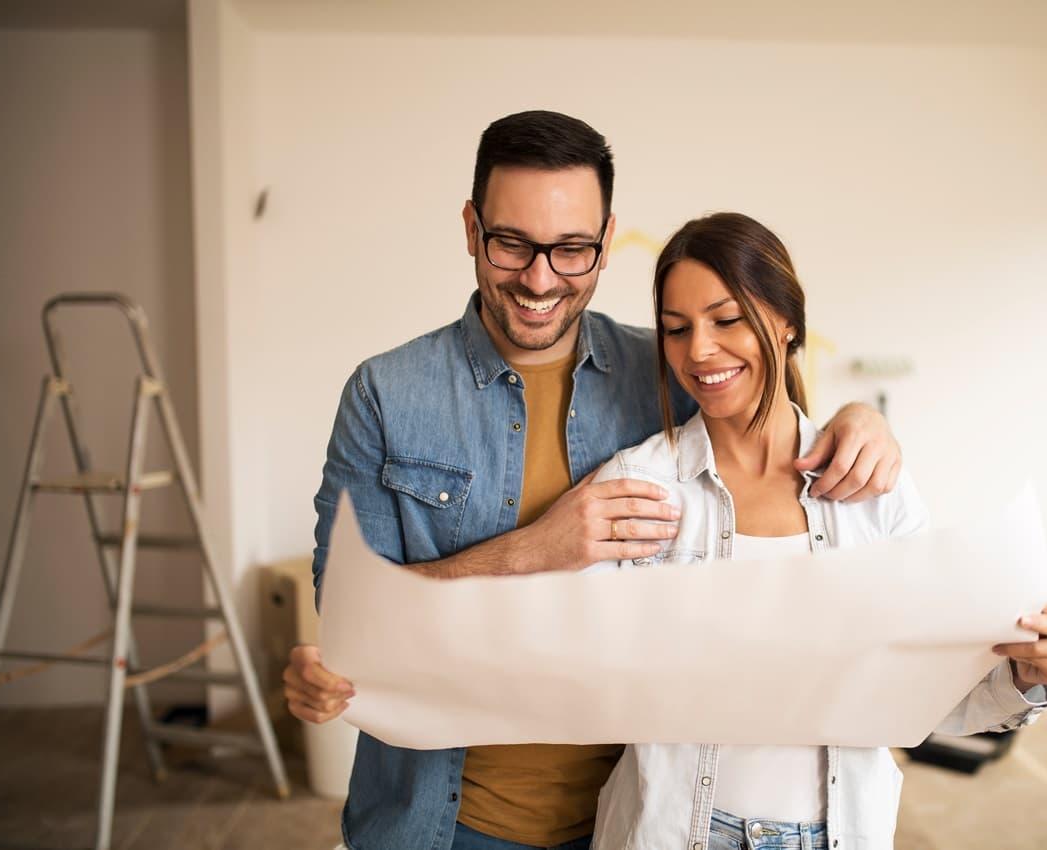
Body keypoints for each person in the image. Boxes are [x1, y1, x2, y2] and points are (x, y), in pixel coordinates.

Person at [282, 111, 905, 850]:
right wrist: (527, 552)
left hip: (631, 818)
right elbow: (356, 620)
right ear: (472, 228)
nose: (539, 279)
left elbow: (768, 424)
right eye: (511, 242)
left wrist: (861, 418)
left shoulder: (667, 372)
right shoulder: (386, 394)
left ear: (608, 241)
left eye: (572, 248)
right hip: (443, 822)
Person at [583, 211, 1047, 850]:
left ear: (787, 322)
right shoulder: (637, 485)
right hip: (672, 833)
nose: (698, 350)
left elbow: (933, 699)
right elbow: (568, 674)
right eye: (676, 330)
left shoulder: (876, 488)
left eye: (726, 319)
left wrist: (1028, 672)